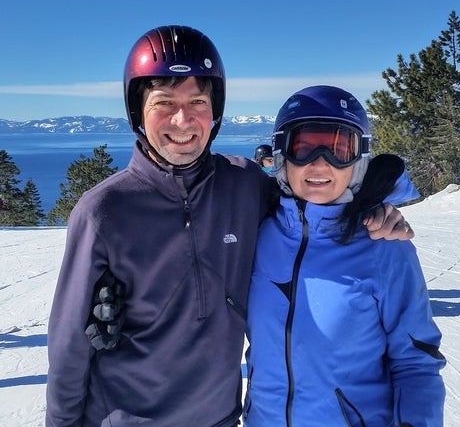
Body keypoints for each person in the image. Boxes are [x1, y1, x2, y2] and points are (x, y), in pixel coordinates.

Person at [45, 25, 414, 427]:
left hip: (219, 419)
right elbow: (68, 347)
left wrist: (375, 206)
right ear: (138, 110)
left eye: (198, 101)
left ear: (215, 110)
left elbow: (313, 196)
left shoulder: (244, 184)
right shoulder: (104, 210)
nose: (183, 119)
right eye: (164, 102)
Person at [243, 85, 446, 427]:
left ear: (359, 159)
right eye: (303, 147)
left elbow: (416, 364)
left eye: (340, 148)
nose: (321, 163)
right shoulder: (256, 233)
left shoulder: (384, 247)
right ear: (281, 155)